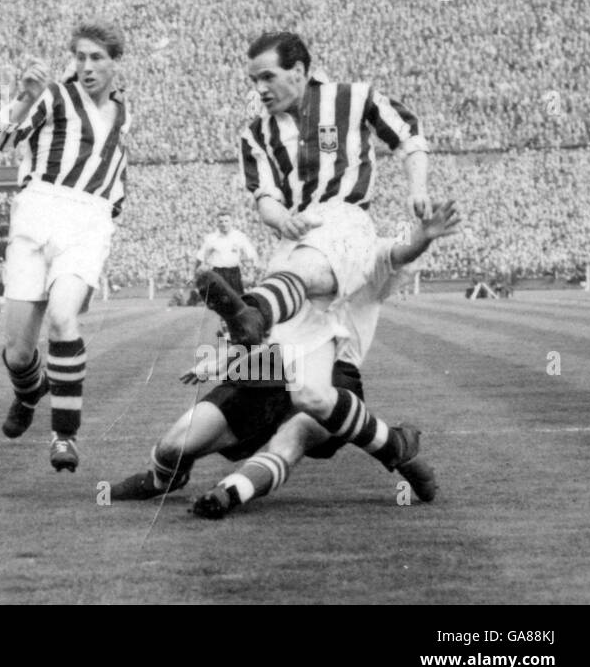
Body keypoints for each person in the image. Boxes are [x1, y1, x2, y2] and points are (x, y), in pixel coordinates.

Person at [109, 203, 458, 512]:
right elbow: (267, 331)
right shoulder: (294, 261)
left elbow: (399, 253)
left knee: (293, 435)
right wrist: (228, 358)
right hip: (273, 364)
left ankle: (230, 493)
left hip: (335, 370)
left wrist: (424, 237)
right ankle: (162, 479)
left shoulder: (365, 253)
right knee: (176, 443)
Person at [196, 31, 432, 484]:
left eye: (268, 77)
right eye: (253, 80)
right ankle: (395, 446)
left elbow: (409, 136)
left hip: (345, 221)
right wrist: (279, 217)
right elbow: (263, 195)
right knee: (306, 391)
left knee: (298, 281)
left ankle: (253, 312)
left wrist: (417, 189)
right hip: (297, 233)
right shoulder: (255, 133)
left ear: (300, 71)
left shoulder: (354, 97)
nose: (259, 89)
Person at [0, 22, 130, 472]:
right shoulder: (54, 96)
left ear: (114, 63)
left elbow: (113, 169)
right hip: (36, 212)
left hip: (87, 220)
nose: (86, 67)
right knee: (18, 353)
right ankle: (29, 393)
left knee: (64, 317)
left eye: (96, 58)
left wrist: (110, 210)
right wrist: (25, 97)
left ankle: (64, 435)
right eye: (80, 57)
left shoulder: (125, 115)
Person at [195, 212, 258, 299]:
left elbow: (251, 254)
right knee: (219, 301)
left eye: (226, 221)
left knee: (237, 300)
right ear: (217, 223)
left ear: (231, 222)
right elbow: (200, 257)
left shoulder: (239, 236)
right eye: (220, 221)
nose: (224, 224)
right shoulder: (211, 238)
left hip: (234, 272)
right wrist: (197, 274)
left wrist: (251, 273)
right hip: (217, 273)